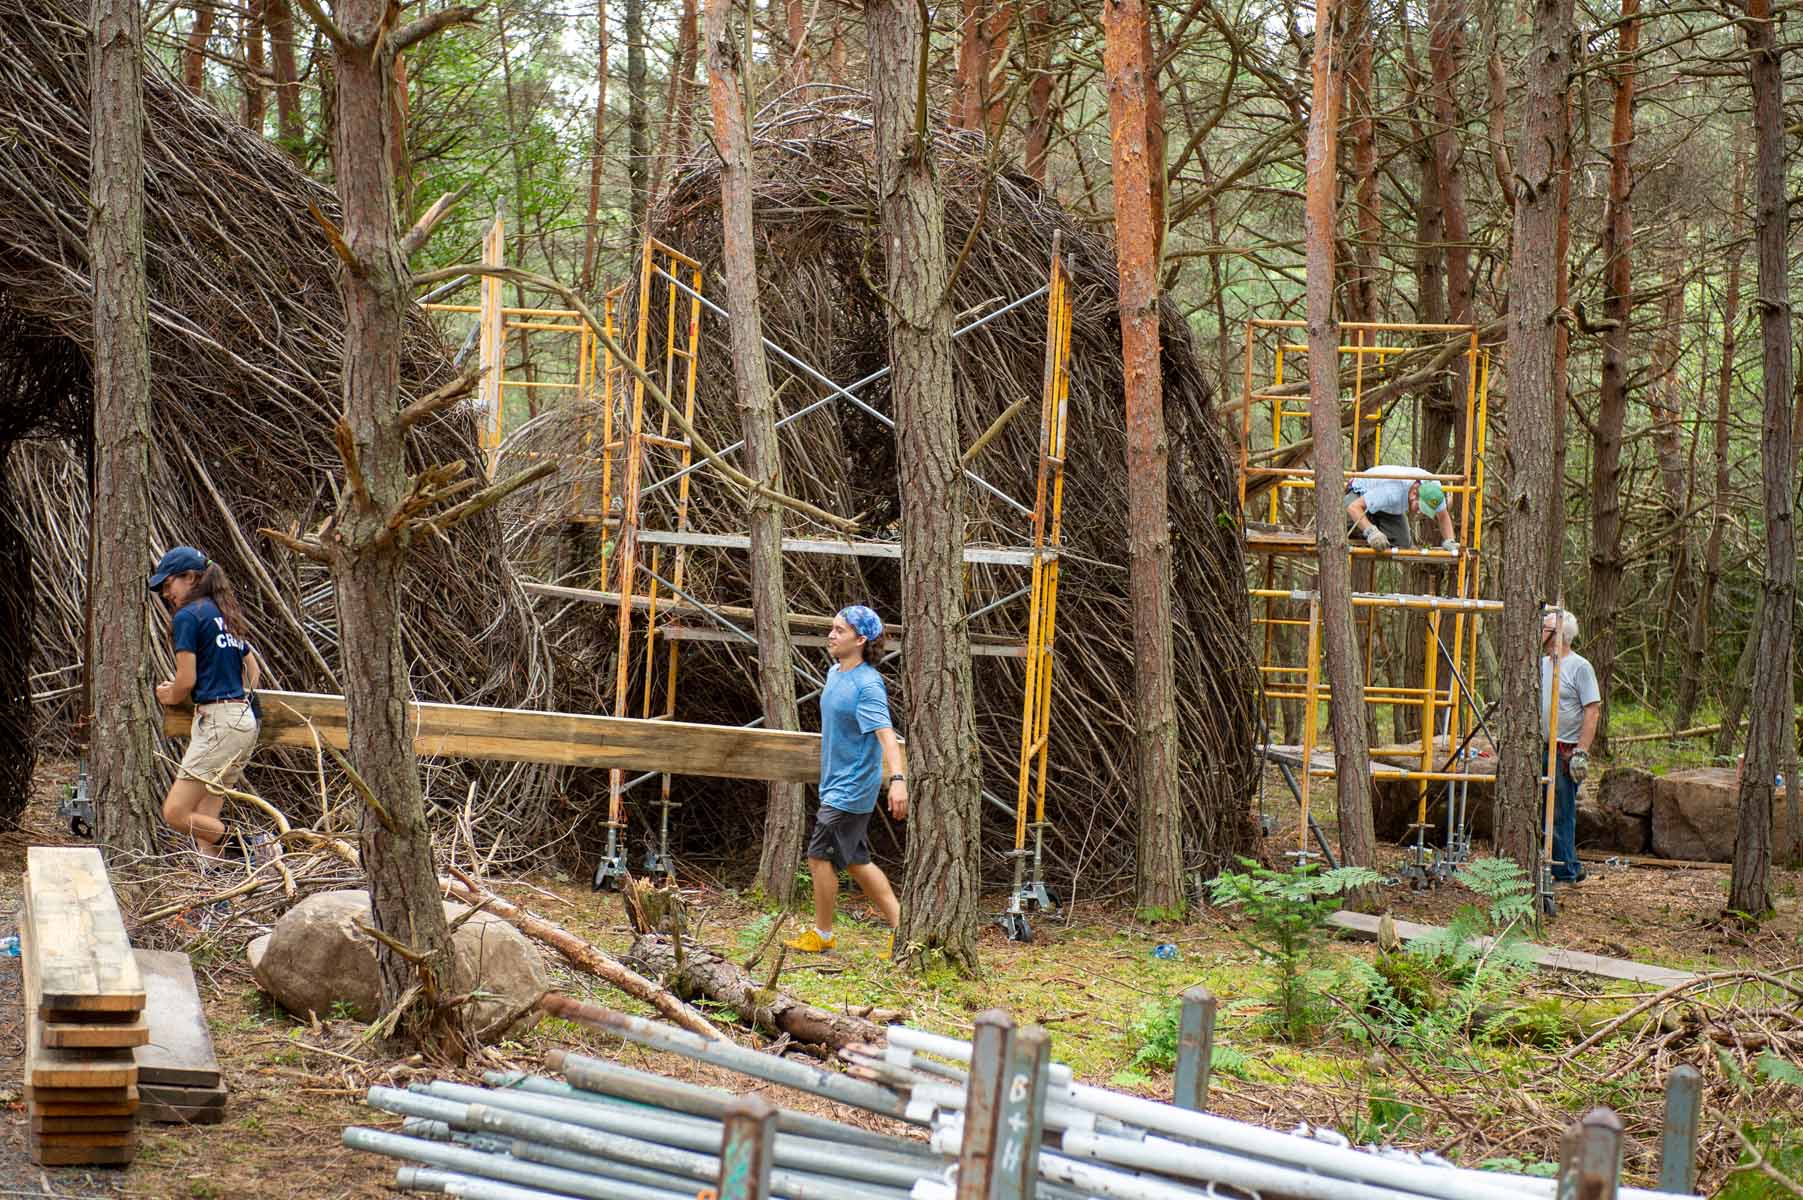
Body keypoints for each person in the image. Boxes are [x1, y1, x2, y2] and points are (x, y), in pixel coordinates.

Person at [785, 604, 909, 958]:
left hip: (853, 786)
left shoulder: (868, 685)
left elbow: (886, 736)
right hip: (834, 781)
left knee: (818, 857)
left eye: (840, 630)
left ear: (861, 639)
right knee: (855, 860)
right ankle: (901, 930)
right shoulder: (835, 672)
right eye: (832, 628)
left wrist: (897, 780)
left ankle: (823, 934)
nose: (831, 634)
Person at [148, 546, 261, 862]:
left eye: (169, 584)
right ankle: (217, 888)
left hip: (218, 724)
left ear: (191, 577)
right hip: (242, 721)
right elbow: (254, 671)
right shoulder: (224, 612)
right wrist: (236, 698)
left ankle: (256, 849)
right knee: (203, 818)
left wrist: (169, 695)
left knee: (176, 812)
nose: (166, 593)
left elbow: (186, 680)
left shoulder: (188, 616)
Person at [1540, 607, 1601, 884]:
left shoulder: (1580, 667)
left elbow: (1592, 710)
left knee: (1560, 810)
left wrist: (1581, 751)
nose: (1540, 632)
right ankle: (1559, 863)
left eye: (1545, 628)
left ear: (1559, 633)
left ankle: (1565, 870)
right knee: (1543, 809)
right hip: (1540, 745)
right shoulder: (1541, 664)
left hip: (1565, 750)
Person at [1344, 465, 1458, 553]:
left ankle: (1370, 525)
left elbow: (1443, 516)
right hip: (1360, 494)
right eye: (1419, 507)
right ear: (1414, 494)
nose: (1419, 512)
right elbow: (1354, 507)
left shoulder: (1435, 491)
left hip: (1385, 506)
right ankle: (1366, 527)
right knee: (1341, 525)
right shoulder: (1392, 490)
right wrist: (1371, 532)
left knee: (1403, 544)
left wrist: (1450, 541)